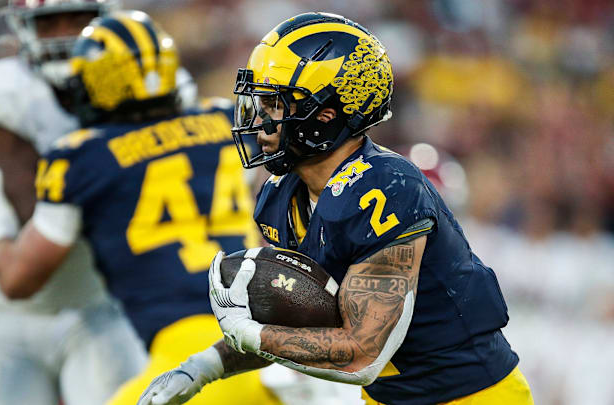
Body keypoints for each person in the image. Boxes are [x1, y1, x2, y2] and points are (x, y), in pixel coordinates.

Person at [138, 12, 535, 405]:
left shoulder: (385, 189)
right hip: (386, 399)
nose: (260, 121)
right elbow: (295, 326)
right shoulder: (280, 195)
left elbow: (362, 354)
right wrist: (205, 367)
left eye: (275, 104)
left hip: (473, 396)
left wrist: (254, 335)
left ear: (325, 115)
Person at [0, 11, 283, 405]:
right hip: (278, 334)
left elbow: (18, 279)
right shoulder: (223, 121)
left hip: (192, 355)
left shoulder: (81, 157)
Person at [0, 2, 148, 404]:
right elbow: (33, 218)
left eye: (78, 19)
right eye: (48, 22)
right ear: (22, 28)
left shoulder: (150, 78)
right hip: (7, 315)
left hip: (101, 306)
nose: (64, 35)